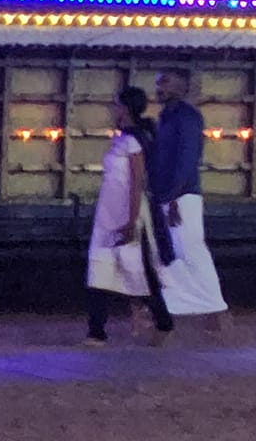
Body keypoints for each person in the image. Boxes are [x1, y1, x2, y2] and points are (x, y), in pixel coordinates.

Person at [84, 87, 174, 347]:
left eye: (117, 105)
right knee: (99, 269)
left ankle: (164, 321)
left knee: (139, 272)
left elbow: (136, 183)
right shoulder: (122, 139)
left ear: (125, 108)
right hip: (108, 213)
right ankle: (96, 332)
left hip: (127, 212)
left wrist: (132, 221)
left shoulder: (134, 141)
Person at [150, 67, 228, 320]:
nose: (160, 88)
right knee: (175, 250)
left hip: (181, 195)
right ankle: (187, 304)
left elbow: (187, 158)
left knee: (191, 248)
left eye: (166, 82)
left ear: (182, 86)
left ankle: (213, 306)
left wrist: (173, 195)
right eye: (159, 82)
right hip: (169, 194)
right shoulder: (167, 116)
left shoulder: (187, 117)